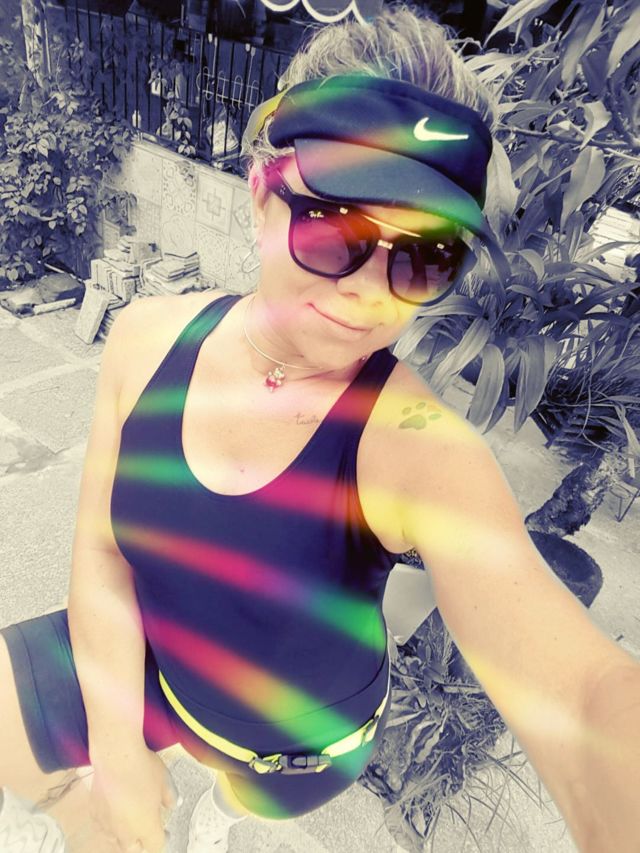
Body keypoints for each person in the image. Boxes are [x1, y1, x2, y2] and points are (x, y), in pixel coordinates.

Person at [1, 4, 639, 853]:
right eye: (338, 227)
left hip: (291, 755)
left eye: (426, 255)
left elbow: (583, 691)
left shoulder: (418, 447)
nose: (372, 289)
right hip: (163, 672)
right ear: (260, 195)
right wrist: (114, 760)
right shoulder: (144, 338)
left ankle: (225, 814)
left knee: (237, 801)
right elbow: (102, 557)